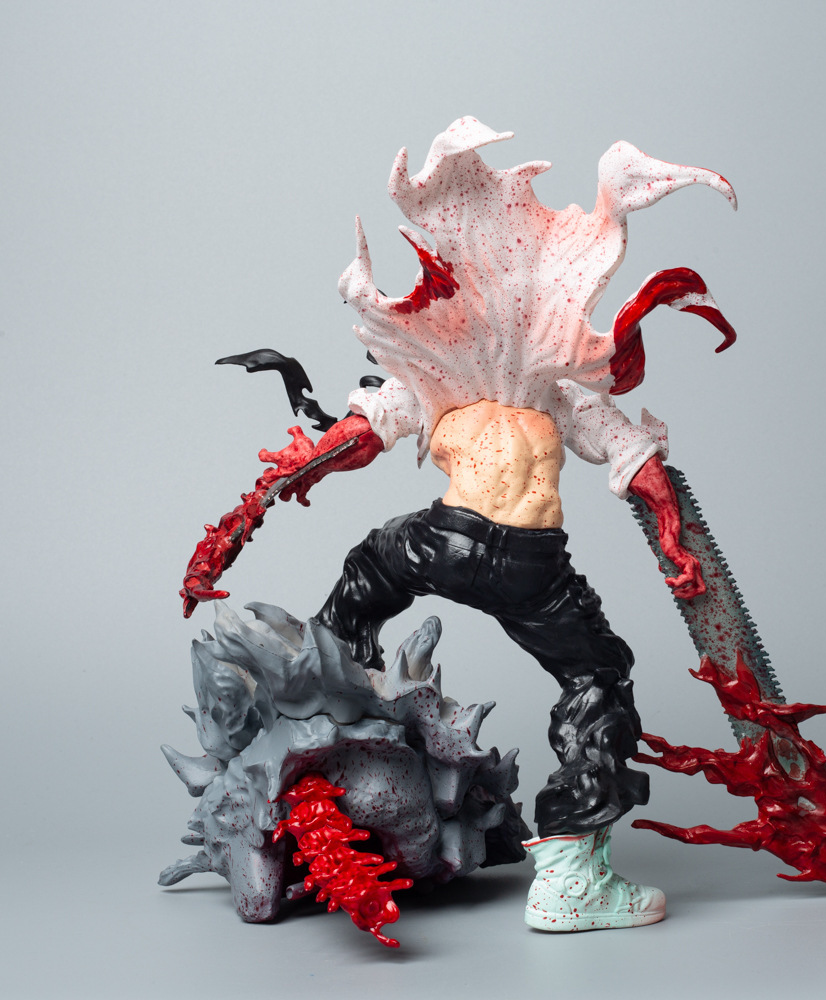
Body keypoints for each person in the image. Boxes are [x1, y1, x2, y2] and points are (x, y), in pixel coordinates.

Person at [182, 117, 737, 932]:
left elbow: (352, 440)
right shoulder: (518, 384)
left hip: (438, 542)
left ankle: (332, 704)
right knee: (598, 679)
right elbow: (636, 465)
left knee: (369, 571)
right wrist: (673, 541)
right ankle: (568, 873)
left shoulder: (442, 379)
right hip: (528, 567)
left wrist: (261, 500)